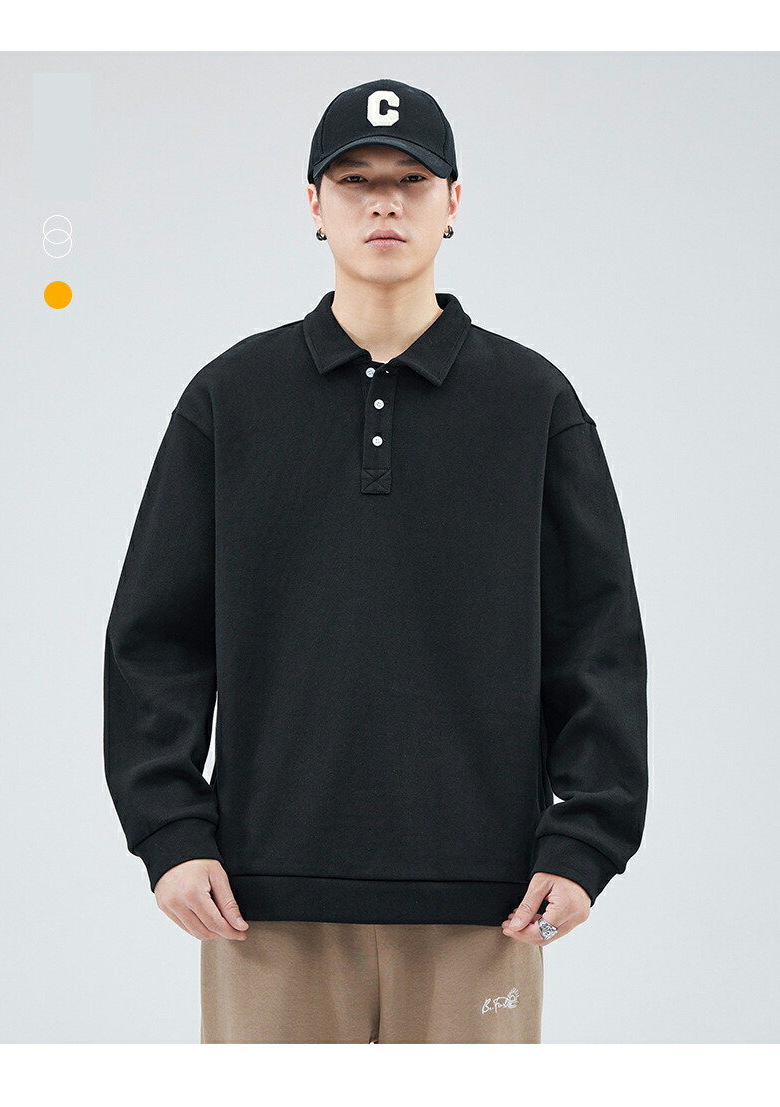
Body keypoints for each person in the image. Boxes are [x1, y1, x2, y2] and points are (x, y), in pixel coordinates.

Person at [103, 77, 649, 1044]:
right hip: (261, 906)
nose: (384, 202)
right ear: (314, 204)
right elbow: (156, 636)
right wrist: (170, 832)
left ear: (454, 200)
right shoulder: (230, 399)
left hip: (488, 904)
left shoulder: (533, 404)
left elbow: (597, 638)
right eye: (355, 180)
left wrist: (586, 839)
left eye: (411, 179)